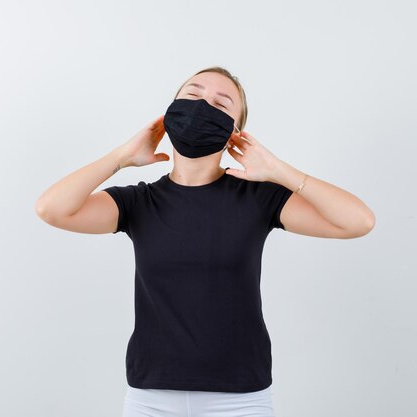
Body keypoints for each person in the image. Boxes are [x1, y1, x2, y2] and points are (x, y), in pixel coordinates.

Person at [34, 66, 376, 417]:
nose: (202, 106)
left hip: (240, 398)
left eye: (220, 103)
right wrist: (121, 158)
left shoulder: (259, 198)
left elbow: (358, 221)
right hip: (150, 397)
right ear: (168, 114)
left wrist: (278, 170)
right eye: (193, 95)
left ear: (234, 134)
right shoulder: (138, 203)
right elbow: (52, 209)